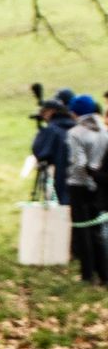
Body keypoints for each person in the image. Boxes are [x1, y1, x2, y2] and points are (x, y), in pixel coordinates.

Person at [65, 94, 107, 286]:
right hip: (99, 185)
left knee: (82, 230)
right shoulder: (104, 130)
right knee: (97, 230)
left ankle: (87, 274)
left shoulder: (76, 133)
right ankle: (103, 273)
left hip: (80, 185)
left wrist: (85, 180)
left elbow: (78, 163)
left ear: (75, 112)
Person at [33, 99, 76, 203]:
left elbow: (40, 153)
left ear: (51, 111)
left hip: (62, 178)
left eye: (44, 112)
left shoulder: (52, 130)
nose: (43, 116)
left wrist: (41, 133)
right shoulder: (76, 125)